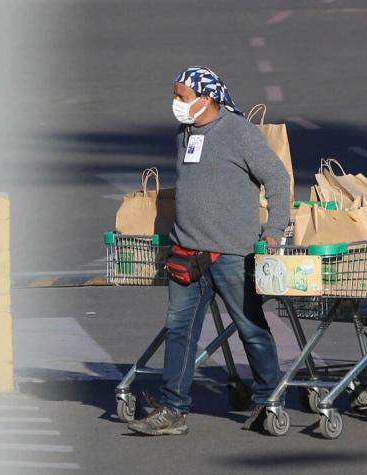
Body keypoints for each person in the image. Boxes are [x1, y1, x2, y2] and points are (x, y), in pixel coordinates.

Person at [127, 66, 290, 436]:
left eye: (182, 97)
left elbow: (277, 178)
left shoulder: (238, 133)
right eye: (176, 95)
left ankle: (268, 398)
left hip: (233, 253)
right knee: (179, 329)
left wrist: (276, 228)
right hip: (188, 251)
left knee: (251, 328)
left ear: (208, 99)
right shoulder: (184, 134)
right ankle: (173, 408)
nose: (176, 103)